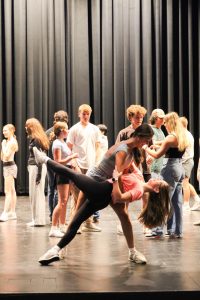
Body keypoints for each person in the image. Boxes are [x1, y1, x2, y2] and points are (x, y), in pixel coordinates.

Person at [32, 146, 170, 266]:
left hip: (102, 193)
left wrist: (115, 179)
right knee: (76, 221)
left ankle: (44, 159)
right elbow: (128, 163)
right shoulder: (140, 178)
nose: (156, 179)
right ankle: (55, 250)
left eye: (158, 182)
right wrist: (133, 150)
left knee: (73, 174)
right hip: (100, 191)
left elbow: (118, 197)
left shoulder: (139, 191)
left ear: (156, 190)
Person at [44, 123, 154, 264]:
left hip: (107, 184)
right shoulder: (123, 150)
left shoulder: (133, 151)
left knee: (124, 216)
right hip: (94, 181)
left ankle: (132, 252)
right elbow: (117, 175)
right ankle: (62, 247)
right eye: (147, 140)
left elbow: (125, 172)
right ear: (139, 137)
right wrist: (119, 197)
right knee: (78, 216)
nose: (147, 143)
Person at [143, 112, 189, 238]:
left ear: (170, 123)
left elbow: (157, 155)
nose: (164, 126)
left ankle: (157, 230)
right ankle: (176, 230)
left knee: (163, 199)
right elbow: (165, 143)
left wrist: (146, 148)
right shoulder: (181, 135)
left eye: (165, 123)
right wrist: (156, 144)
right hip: (179, 168)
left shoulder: (170, 137)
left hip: (169, 168)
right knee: (177, 202)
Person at [67, 104, 102, 232]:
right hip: (78, 165)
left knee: (90, 196)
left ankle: (88, 222)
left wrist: (97, 162)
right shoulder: (74, 129)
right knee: (77, 196)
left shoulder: (95, 129)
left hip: (91, 165)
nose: (86, 116)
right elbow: (68, 148)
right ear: (79, 114)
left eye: (88, 114)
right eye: (83, 113)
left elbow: (98, 147)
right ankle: (75, 224)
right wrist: (74, 163)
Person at [48, 122, 79, 238]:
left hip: (67, 172)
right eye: (67, 129)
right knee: (62, 201)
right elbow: (57, 161)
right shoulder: (57, 143)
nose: (69, 131)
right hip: (62, 173)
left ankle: (61, 225)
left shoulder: (62, 143)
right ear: (61, 131)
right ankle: (53, 228)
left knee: (65, 201)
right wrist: (71, 157)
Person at [145, 108, 166, 238]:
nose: (163, 120)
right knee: (152, 198)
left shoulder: (161, 131)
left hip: (159, 168)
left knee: (157, 198)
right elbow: (147, 145)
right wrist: (149, 155)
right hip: (152, 169)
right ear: (154, 118)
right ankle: (150, 226)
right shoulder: (151, 129)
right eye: (160, 117)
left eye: (163, 118)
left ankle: (156, 227)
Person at [25, 118, 49, 226]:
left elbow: (40, 158)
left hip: (36, 168)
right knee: (35, 193)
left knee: (37, 193)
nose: (25, 128)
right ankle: (36, 219)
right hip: (35, 167)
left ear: (31, 127)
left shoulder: (36, 140)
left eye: (27, 126)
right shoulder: (37, 138)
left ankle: (38, 220)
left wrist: (39, 174)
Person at [46, 110, 69, 224]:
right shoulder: (60, 132)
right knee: (58, 193)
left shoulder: (49, 132)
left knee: (51, 189)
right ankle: (57, 217)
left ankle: (52, 215)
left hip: (50, 163)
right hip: (58, 165)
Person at [179, 116, 200, 211]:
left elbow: (182, 149)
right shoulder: (186, 134)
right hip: (186, 161)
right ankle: (197, 199)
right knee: (186, 183)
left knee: (185, 184)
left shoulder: (185, 135)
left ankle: (186, 205)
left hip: (186, 161)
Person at [0, 124, 18, 222]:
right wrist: (4, 145)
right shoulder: (8, 142)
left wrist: (3, 145)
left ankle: (5, 213)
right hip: (7, 166)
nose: (4, 132)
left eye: (6, 130)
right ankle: (12, 212)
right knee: (12, 190)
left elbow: (6, 156)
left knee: (8, 191)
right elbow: (2, 157)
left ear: (11, 131)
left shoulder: (11, 142)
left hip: (10, 167)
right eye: (3, 130)